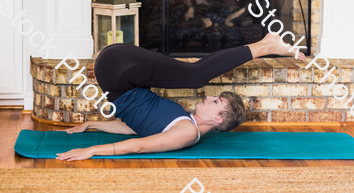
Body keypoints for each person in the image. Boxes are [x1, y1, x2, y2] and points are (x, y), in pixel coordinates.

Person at [55, 32, 305, 161]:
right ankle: (264, 43)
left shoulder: (187, 133)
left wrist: (93, 150)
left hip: (119, 71)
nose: (208, 98)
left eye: (215, 102)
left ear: (218, 120)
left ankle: (267, 45)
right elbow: (138, 128)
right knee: (194, 71)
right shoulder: (184, 122)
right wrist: (91, 124)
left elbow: (140, 144)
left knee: (195, 75)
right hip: (120, 67)